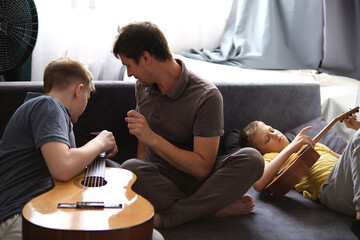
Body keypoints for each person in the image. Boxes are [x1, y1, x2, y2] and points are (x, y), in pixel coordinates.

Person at [112, 21, 264, 229]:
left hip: (201, 179)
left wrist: (152, 138)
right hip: (161, 179)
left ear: (146, 58)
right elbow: (142, 142)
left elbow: (202, 169)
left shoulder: (206, 96)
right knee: (130, 169)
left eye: (129, 65)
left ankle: (168, 218)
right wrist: (137, 186)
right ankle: (213, 210)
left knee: (253, 159)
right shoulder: (142, 86)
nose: (128, 74)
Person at [0, 57, 119, 240]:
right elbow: (63, 167)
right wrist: (100, 142)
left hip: (39, 210)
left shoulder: (43, 111)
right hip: (20, 214)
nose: (86, 105)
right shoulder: (49, 105)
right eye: (87, 98)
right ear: (79, 90)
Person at [238, 115, 360, 238]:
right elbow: (259, 184)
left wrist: (357, 128)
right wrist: (291, 148)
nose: (274, 135)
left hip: (352, 184)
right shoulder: (271, 157)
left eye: (272, 130)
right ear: (260, 152)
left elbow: (352, 159)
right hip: (332, 188)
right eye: (267, 139)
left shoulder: (314, 143)